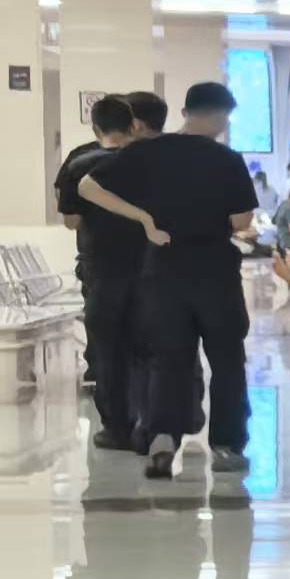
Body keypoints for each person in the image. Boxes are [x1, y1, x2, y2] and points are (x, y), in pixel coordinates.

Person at [78, 83, 265, 483]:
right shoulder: (226, 159)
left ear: (185, 111)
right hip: (214, 271)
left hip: (162, 269)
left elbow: (87, 187)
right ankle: (227, 446)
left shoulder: (146, 152)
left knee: (168, 358)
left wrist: (144, 218)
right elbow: (241, 221)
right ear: (222, 115)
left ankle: (163, 438)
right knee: (227, 359)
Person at [57, 94, 145, 450]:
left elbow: (71, 221)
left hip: (101, 267)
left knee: (106, 346)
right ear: (133, 126)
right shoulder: (151, 161)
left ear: (96, 128)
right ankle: (150, 423)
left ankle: (116, 427)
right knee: (146, 344)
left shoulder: (79, 161)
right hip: (149, 265)